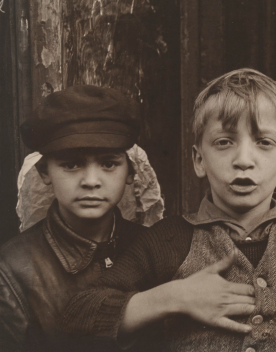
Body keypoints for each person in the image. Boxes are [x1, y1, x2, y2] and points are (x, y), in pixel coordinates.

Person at [61, 68, 276, 352]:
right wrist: (171, 297)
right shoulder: (169, 240)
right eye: (224, 142)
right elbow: (78, 315)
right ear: (199, 159)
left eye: (264, 142)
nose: (243, 159)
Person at [0, 85, 162, 352]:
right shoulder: (12, 270)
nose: (91, 182)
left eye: (108, 163)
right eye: (71, 164)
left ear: (131, 172)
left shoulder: (155, 247)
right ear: (44, 172)